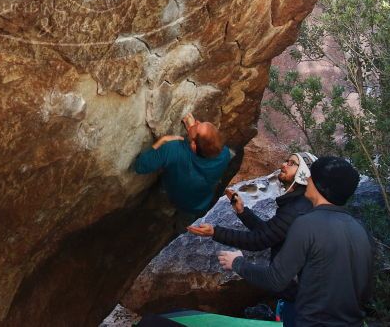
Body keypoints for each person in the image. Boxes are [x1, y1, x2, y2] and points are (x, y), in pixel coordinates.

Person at [217, 157, 374, 327]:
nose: (307, 179)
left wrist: (237, 262)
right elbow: (365, 293)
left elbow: (275, 280)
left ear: (321, 185)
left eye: (311, 177)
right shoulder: (360, 229)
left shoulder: (306, 223)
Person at [187, 152, 317, 325]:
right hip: (298, 298)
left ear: (303, 173)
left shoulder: (296, 208)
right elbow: (271, 234)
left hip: (300, 303)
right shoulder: (297, 205)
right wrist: (242, 211)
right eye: (286, 160)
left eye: (292, 163)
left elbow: (259, 240)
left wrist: (215, 232)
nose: (284, 164)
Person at [134, 114, 232, 232]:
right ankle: (180, 235)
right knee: (186, 225)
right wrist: (193, 131)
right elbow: (205, 143)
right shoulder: (225, 153)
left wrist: (161, 141)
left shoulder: (173, 149)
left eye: (197, 125)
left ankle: (166, 226)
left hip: (174, 193)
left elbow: (140, 166)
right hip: (199, 203)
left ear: (194, 145)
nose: (196, 121)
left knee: (165, 206)